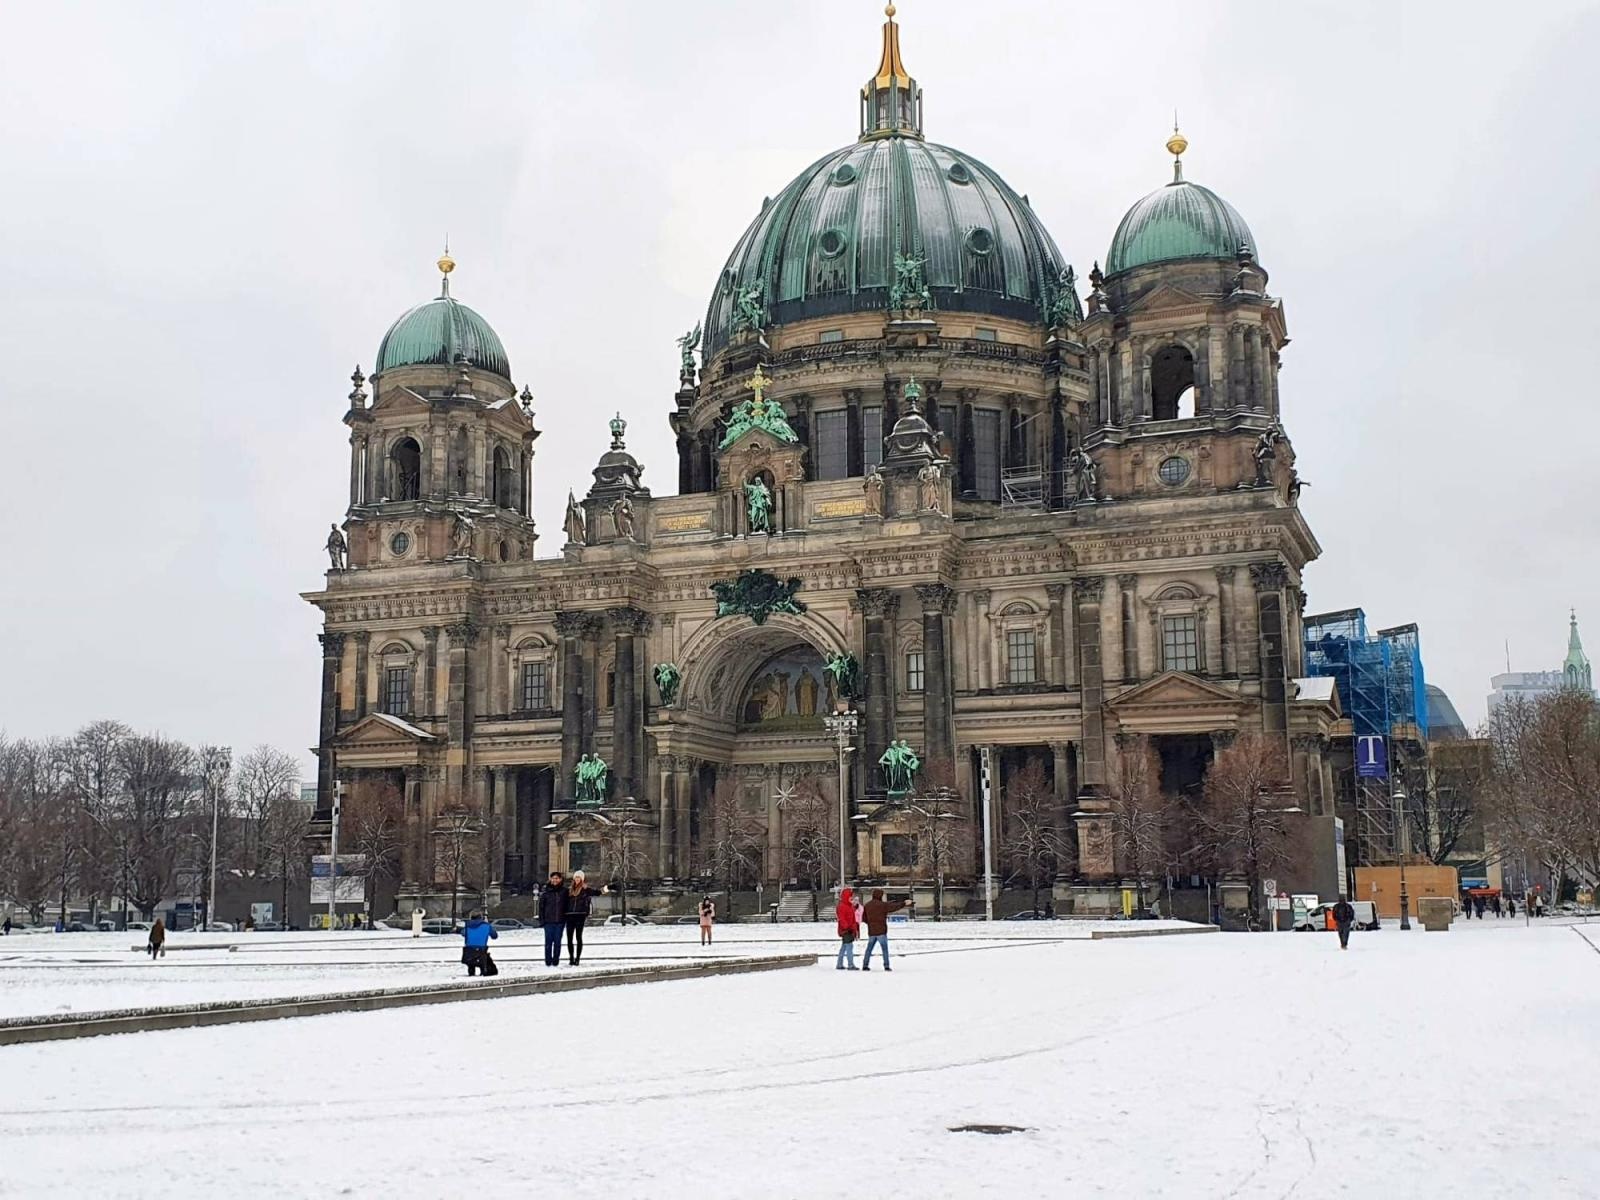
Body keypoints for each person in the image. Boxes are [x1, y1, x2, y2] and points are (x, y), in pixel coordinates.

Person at [860, 888, 910, 972]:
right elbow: (894, 907)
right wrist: (904, 903)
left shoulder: (867, 905)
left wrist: (871, 923)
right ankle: (886, 966)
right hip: (881, 931)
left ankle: (865, 965)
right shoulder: (882, 905)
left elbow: (864, 918)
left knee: (869, 949)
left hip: (871, 931)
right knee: (884, 949)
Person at [565, 870, 608, 966]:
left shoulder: (586, 889)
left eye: (579, 878)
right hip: (570, 915)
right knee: (569, 938)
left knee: (578, 937)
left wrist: (608, 888)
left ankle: (577, 958)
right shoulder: (569, 890)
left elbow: (598, 892)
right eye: (576, 877)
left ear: (582, 879)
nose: (577, 879)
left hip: (580, 915)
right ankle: (571, 958)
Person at [538, 871, 568, 967]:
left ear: (560, 879)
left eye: (557, 878)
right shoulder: (546, 892)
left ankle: (555, 960)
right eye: (553, 878)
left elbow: (567, 905)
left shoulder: (564, 891)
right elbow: (541, 907)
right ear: (550, 879)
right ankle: (548, 961)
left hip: (560, 921)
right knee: (548, 942)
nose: (555, 880)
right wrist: (542, 920)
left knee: (557, 942)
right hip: (548, 921)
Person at [460, 910, 498, 977]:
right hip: (481, 951)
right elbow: (494, 936)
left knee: (471, 957)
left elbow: (463, 933)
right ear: (481, 917)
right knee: (483, 957)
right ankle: (483, 970)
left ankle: (471, 971)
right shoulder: (486, 926)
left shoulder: (467, 926)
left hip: (469, 952)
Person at [835, 887, 860, 970]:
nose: (851, 898)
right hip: (846, 930)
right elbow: (842, 919)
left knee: (844, 947)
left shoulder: (848, 906)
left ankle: (839, 964)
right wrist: (847, 927)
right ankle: (850, 964)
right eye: (850, 896)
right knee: (849, 947)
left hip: (848, 930)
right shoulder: (843, 906)